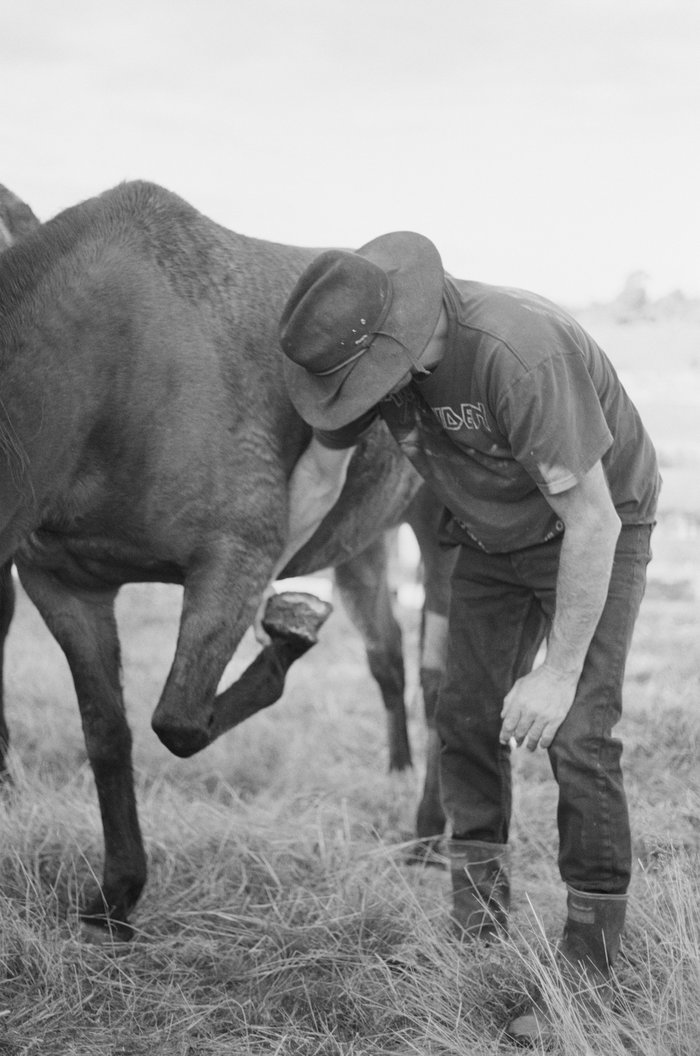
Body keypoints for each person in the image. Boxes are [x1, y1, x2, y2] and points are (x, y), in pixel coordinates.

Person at [266, 233, 660, 1044]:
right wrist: (262, 576)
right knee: (464, 714)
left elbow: (590, 520)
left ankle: (589, 959)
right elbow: (318, 475)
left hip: (594, 530)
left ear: (394, 344)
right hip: (484, 537)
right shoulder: (373, 362)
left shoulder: (517, 355)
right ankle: (477, 924)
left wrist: (555, 674)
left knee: (579, 732)